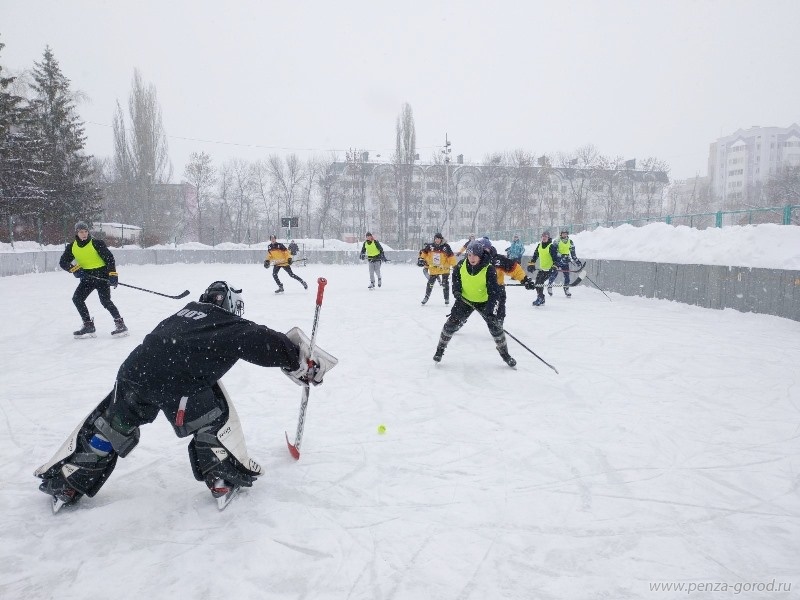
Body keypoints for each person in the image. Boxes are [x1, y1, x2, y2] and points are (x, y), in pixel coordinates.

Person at [34, 280, 338, 512]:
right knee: (212, 417)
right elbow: (256, 338)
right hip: (179, 382)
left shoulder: (185, 313)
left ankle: (69, 480)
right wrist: (297, 360)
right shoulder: (224, 321)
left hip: (134, 373)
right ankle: (221, 477)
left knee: (114, 427)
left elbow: (160, 344)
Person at [432, 240, 516, 367]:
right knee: (450, 325)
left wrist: (491, 312)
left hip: (484, 301)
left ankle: (505, 354)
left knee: (496, 328)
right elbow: (456, 278)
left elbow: (494, 293)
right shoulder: (461, 265)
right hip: (465, 300)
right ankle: (440, 349)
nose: (472, 258)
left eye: (475, 255)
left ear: (481, 255)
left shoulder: (489, 269)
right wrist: (456, 290)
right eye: (469, 255)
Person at [59, 221, 128, 338]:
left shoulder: (97, 243)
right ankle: (88, 325)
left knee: (105, 301)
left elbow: (109, 259)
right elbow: (63, 262)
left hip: (101, 277)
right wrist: (74, 269)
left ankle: (120, 324)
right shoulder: (72, 247)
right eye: (81, 232)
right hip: (87, 278)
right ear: (77, 233)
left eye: (86, 231)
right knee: (77, 299)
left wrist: (112, 275)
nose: (84, 234)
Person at [418, 233, 456, 305]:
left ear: (441, 239)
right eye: (436, 239)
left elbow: (451, 257)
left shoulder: (446, 247)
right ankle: (426, 297)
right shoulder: (430, 246)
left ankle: (446, 298)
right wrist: (421, 258)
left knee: (445, 283)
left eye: (438, 239)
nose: (437, 240)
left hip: (444, 268)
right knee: (430, 283)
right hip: (434, 269)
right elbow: (423, 252)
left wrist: (454, 266)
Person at [526, 231, 560, 306]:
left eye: (546, 236)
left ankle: (540, 298)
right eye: (543, 236)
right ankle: (541, 298)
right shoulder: (539, 246)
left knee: (540, 282)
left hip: (549, 270)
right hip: (542, 269)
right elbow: (535, 256)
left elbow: (556, 259)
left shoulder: (551, 246)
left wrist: (554, 266)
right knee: (537, 284)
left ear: (548, 237)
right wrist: (531, 264)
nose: (544, 238)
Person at [547, 229, 583, 298]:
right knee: (554, 274)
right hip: (557, 260)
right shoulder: (557, 241)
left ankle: (566, 289)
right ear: (561, 234)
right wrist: (561, 256)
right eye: (563, 233)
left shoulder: (570, 242)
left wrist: (577, 261)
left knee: (567, 275)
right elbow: (553, 251)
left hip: (565, 261)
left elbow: (573, 253)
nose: (564, 235)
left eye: (566, 233)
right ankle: (549, 286)